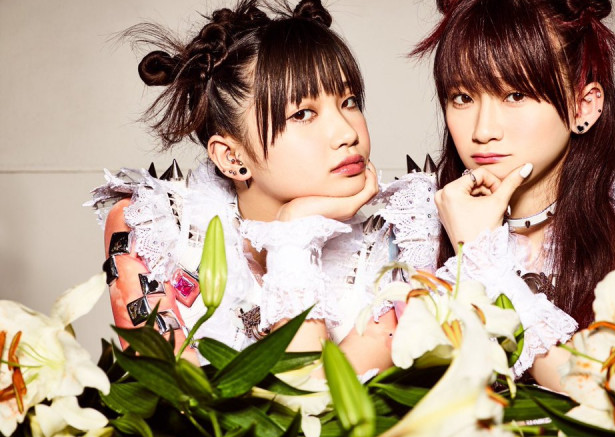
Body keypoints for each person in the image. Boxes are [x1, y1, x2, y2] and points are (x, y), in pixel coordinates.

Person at [87, 0, 439, 374]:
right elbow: (178, 393)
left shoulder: (401, 249)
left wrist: (294, 234)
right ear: (231, 157)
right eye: (303, 113)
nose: (347, 133)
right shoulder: (151, 227)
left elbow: (315, 394)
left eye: (349, 101)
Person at [414, 0, 615, 388]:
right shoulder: (416, 219)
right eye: (462, 97)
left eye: (515, 95)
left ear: (584, 106)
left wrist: (481, 258)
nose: (483, 130)